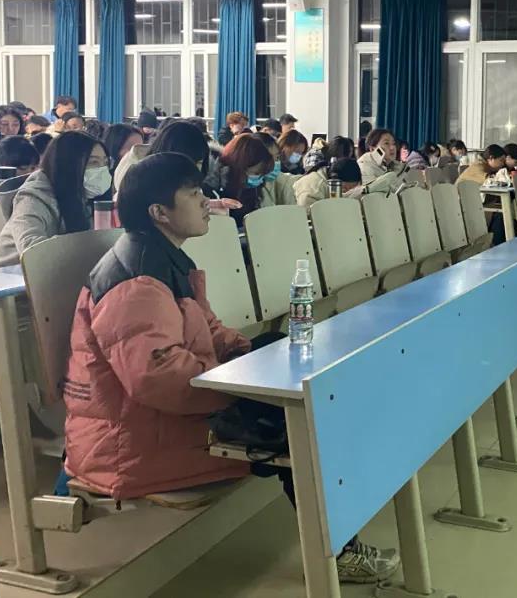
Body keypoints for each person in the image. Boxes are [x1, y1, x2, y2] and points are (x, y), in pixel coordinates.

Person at [62, 153, 399, 582]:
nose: (207, 201)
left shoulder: (162, 259)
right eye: (193, 194)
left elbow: (211, 330)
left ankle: (342, 535)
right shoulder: (135, 283)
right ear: (159, 212)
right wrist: (245, 385)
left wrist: (254, 357)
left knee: (287, 365)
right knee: (301, 427)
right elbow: (158, 378)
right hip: (134, 445)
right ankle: (341, 554)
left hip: (168, 419)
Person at [0, 132, 110, 267]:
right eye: (93, 162)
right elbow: (31, 249)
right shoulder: (32, 197)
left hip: (62, 272)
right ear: (68, 164)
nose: (102, 169)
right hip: (15, 275)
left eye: (105, 163)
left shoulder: (85, 196)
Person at [219, 133, 296, 225]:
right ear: (241, 165)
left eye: (277, 158)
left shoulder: (253, 189)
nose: (260, 179)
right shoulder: (216, 191)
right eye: (256, 173)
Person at [294, 157, 363, 207]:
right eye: (345, 188)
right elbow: (308, 213)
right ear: (335, 179)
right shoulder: (315, 187)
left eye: (350, 189)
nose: (346, 191)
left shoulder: (328, 181)